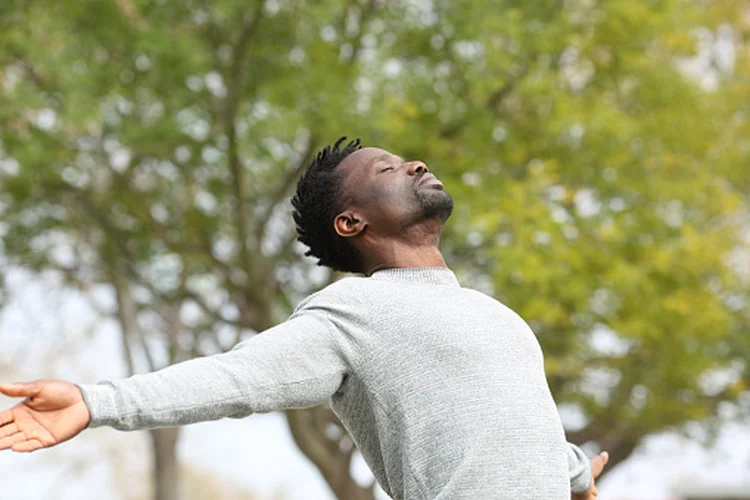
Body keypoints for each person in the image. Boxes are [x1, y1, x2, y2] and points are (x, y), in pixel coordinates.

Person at [0, 138, 608, 499]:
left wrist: (576, 473)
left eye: (406, 161)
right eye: (389, 170)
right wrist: (96, 400)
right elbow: (236, 378)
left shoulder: (498, 316)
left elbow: (512, 441)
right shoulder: (354, 313)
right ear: (352, 223)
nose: (416, 164)